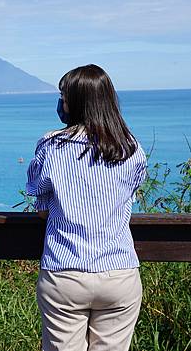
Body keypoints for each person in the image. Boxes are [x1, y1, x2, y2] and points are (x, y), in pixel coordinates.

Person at [26, 64, 147, 351]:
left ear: (77, 104)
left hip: (64, 271)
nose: (61, 104)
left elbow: (38, 195)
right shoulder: (131, 149)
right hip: (119, 271)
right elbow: (129, 195)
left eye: (64, 97)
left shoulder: (52, 146)